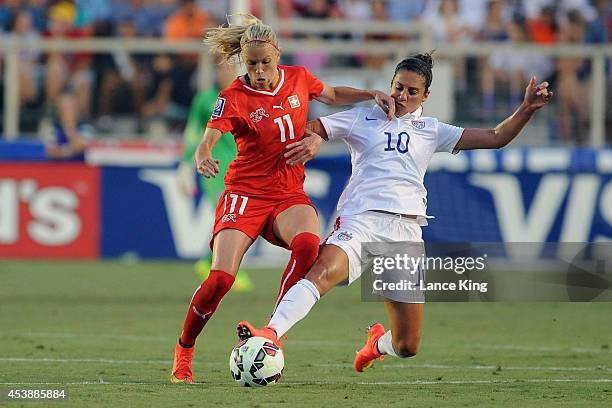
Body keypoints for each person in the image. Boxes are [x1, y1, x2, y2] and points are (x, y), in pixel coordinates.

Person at [237, 53, 553, 373]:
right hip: (361, 219)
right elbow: (314, 127)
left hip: (406, 232)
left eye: (412, 92)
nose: (402, 96)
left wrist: (526, 109)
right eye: (398, 87)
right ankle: (271, 334)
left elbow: (495, 138)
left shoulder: (432, 130)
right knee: (322, 272)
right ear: (390, 84)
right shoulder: (363, 117)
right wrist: (316, 140)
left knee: (407, 345)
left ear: (425, 96)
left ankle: (376, 344)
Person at [170, 14, 395, 383]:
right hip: (244, 194)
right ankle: (184, 349)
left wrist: (372, 93)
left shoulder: (299, 78)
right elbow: (209, 137)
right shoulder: (234, 97)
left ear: (277, 53)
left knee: (308, 244)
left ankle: (273, 330)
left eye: (264, 62)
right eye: (251, 63)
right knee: (221, 281)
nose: (258, 70)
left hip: (287, 192)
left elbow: (333, 95)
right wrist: (201, 155)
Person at [177, 62, 253, 291]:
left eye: (229, 70)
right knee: (231, 218)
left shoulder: (246, 98)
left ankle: (207, 261)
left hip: (242, 169)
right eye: (220, 70)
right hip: (215, 168)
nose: (224, 74)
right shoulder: (204, 99)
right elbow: (193, 132)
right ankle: (229, 271)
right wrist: (185, 166)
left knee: (238, 219)